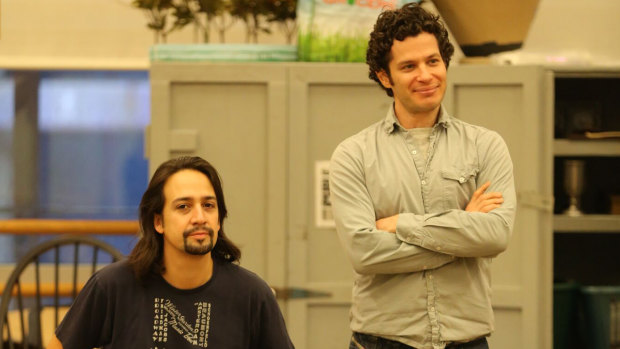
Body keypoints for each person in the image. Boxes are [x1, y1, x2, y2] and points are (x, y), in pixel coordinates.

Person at [329, 2, 516, 349]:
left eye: (433, 61)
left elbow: (495, 235)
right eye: (409, 66)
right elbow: (364, 253)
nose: (426, 75)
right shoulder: (353, 155)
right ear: (385, 76)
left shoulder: (486, 146)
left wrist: (402, 224)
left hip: (467, 341)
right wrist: (462, 232)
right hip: (380, 342)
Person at [47, 156, 295, 349]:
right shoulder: (112, 286)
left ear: (219, 220)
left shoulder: (252, 295)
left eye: (208, 205)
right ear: (159, 222)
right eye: (184, 206)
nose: (199, 217)